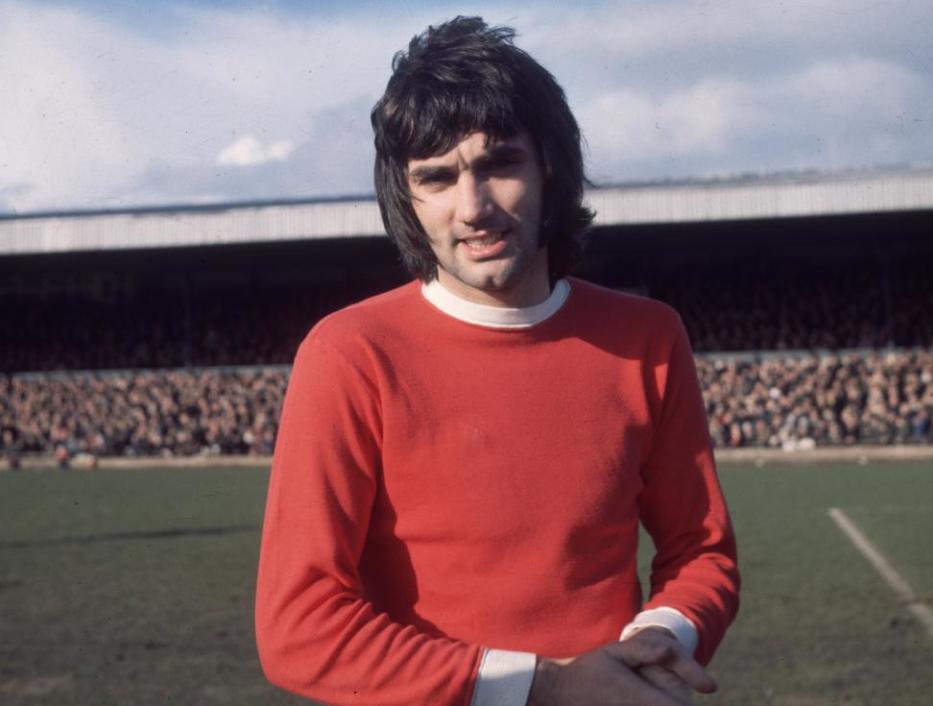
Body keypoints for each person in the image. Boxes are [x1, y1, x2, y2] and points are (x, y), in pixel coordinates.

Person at [256, 16, 739, 706]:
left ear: (549, 165)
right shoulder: (348, 355)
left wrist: (664, 634)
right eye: (437, 178)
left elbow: (703, 550)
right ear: (407, 196)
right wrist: (546, 686)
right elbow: (297, 628)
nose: (473, 207)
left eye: (499, 163)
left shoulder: (648, 337)